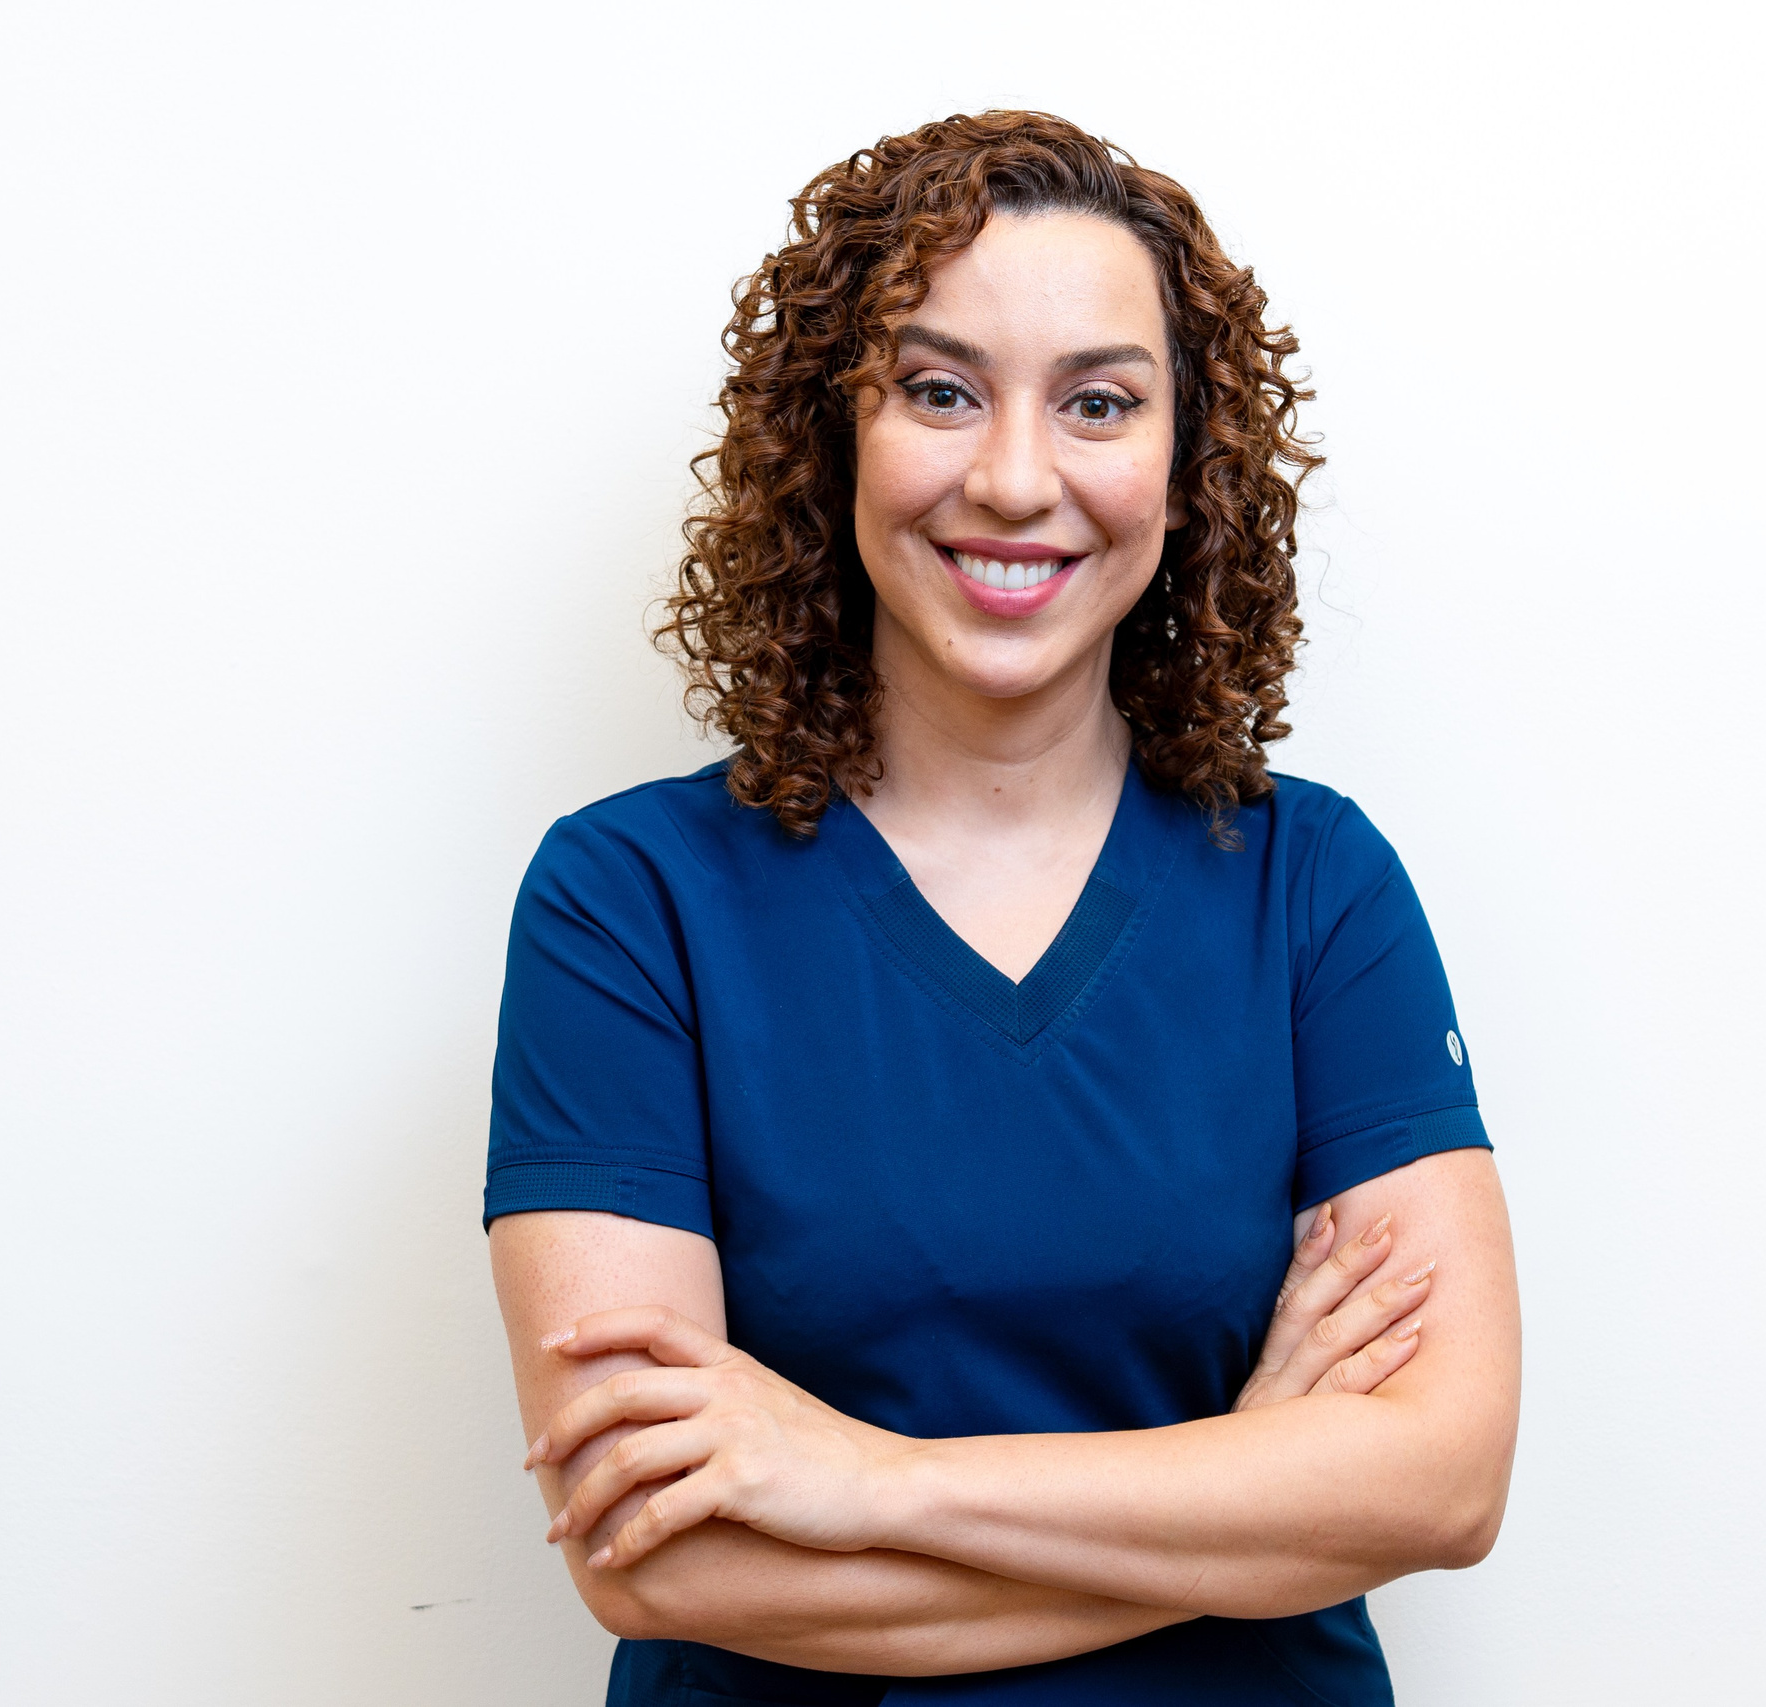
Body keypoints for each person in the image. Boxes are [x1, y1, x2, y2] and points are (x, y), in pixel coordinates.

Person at [484, 110, 1520, 1705]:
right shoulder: (627, 904)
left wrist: (866, 1480)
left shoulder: (1313, 886)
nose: (1017, 477)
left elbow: (1441, 1484)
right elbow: (660, 1558)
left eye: (1099, 402)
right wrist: (1249, 1487)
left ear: (1188, 476)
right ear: (832, 439)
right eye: (939, 389)